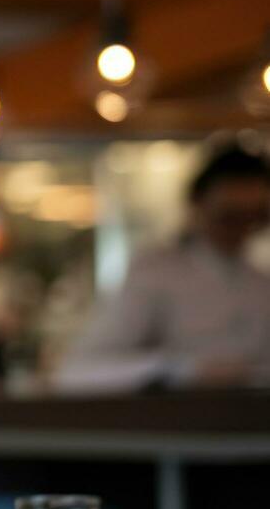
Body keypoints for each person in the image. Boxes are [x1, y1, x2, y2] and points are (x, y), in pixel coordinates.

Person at [57, 138, 270, 392]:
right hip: (176, 424)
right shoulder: (156, 274)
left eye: (255, 217)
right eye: (229, 217)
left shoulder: (259, 282)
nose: (242, 230)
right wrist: (183, 370)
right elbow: (79, 370)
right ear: (197, 206)